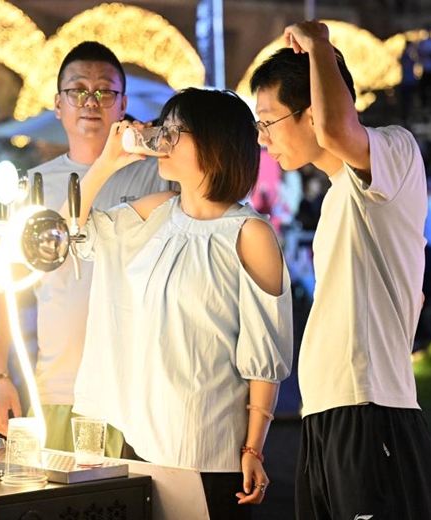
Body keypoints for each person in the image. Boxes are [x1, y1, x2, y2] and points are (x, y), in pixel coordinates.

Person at [70, 88, 293, 518]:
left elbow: (264, 354)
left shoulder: (249, 234)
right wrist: (105, 164)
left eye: (177, 130)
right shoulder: (155, 213)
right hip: (141, 440)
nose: (164, 140)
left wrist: (254, 449)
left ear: (216, 143)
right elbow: (71, 235)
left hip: (209, 451)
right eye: (164, 128)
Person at [249, 21, 431, 519]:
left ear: (311, 112)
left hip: (372, 412)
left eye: (268, 121)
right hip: (328, 414)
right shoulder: (337, 196)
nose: (262, 138)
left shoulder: (395, 150)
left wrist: (317, 44)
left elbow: (337, 129)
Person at [0, 42, 169, 455]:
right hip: (59, 385)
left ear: (123, 103)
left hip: (140, 387)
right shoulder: (30, 185)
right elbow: (2, 287)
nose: (91, 102)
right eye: (78, 90)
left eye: (104, 91)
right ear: (58, 104)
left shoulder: (158, 176)